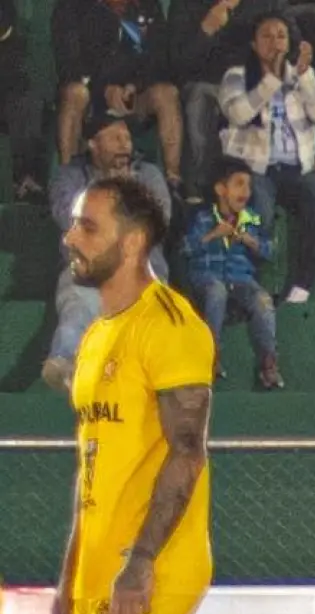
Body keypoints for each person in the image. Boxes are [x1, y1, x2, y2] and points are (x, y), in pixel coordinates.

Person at [50, 176, 214, 614]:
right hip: (103, 565)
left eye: (89, 226)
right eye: (74, 224)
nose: (72, 238)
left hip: (155, 561)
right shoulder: (96, 336)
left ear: (134, 240)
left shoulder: (171, 324)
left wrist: (139, 563)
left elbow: (187, 453)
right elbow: (93, 464)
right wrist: (74, 572)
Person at [43, 114, 172, 393]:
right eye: (115, 138)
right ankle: (63, 363)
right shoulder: (70, 175)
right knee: (78, 307)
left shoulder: (147, 174)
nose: (124, 145)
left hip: (140, 269)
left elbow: (160, 219)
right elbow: (68, 217)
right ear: (93, 144)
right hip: (87, 268)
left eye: (127, 138)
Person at [219, 12, 315, 304]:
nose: (275, 43)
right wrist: (270, 81)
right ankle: (249, 290)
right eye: (267, 37)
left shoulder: (302, 75)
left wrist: (306, 76)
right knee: (262, 216)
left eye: (281, 36)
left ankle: (300, 290)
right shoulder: (237, 75)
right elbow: (237, 113)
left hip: (299, 169)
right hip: (257, 168)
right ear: (255, 44)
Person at [168, 0, 292, 203]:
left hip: (253, 80)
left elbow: (291, 38)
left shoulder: (267, 4)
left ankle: (259, 177)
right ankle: (199, 190)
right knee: (201, 98)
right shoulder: (186, 5)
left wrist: (276, 49)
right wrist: (206, 28)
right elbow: (178, 64)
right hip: (207, 81)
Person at [51, 0, 183, 188]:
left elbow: (159, 59)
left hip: (132, 98)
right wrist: (103, 90)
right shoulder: (71, 6)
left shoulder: (148, 6)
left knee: (167, 93)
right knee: (74, 93)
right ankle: (68, 183)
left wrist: (135, 85)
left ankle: (173, 182)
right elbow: (68, 64)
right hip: (90, 98)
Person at [184, 157, 283, 389]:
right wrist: (211, 235)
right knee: (217, 292)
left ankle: (268, 363)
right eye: (239, 184)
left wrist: (252, 242)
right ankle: (211, 356)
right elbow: (185, 248)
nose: (246, 192)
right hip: (208, 276)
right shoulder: (203, 217)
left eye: (248, 186)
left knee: (263, 301)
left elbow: (270, 252)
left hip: (241, 279)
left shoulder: (251, 220)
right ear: (220, 189)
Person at [0, 0, 46, 203]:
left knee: (27, 103)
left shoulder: (18, 46)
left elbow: (17, 80)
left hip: (8, 102)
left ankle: (23, 178)